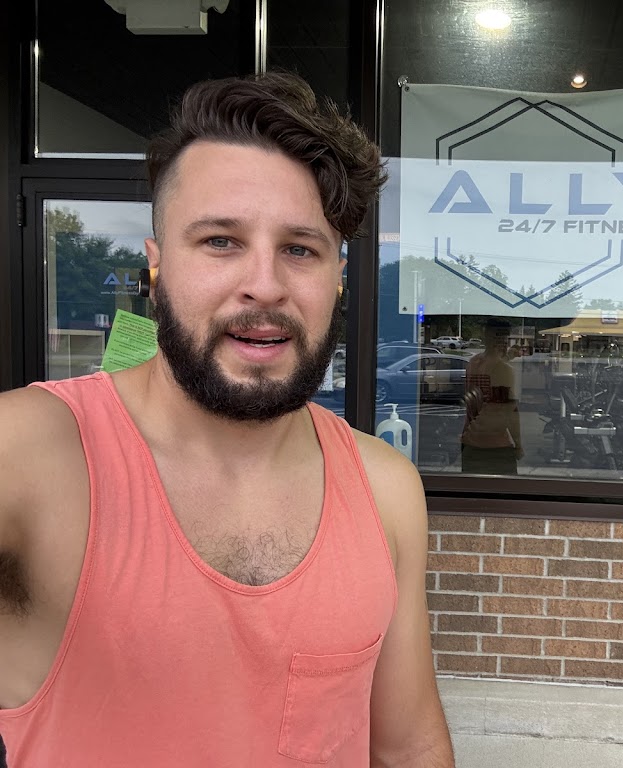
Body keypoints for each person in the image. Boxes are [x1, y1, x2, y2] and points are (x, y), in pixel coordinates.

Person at [0, 72, 454, 767]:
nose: (264, 285)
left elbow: (409, 747)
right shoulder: (30, 455)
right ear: (156, 266)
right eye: (220, 240)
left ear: (336, 277)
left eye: (299, 249)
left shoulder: (385, 488)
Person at [461, 319, 523, 475]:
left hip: (471, 442)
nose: (505, 341)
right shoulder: (504, 369)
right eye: (503, 337)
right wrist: (518, 444)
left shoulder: (473, 363)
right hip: (495, 447)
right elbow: (509, 411)